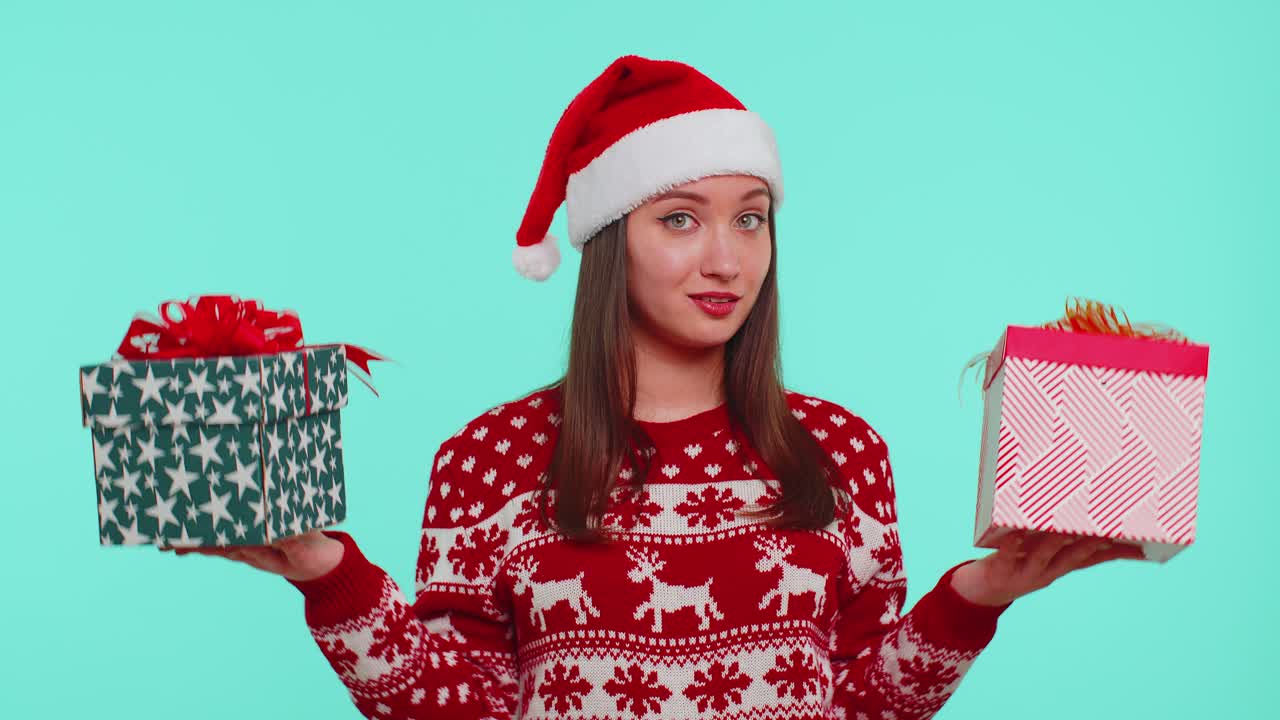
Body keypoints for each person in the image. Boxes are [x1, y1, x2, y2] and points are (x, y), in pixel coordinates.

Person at [162, 54, 1143, 719]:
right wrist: (323, 571)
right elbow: (457, 707)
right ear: (607, 242)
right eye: (679, 219)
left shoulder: (839, 451)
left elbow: (859, 704)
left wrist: (983, 592)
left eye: (749, 219)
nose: (725, 258)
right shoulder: (487, 460)